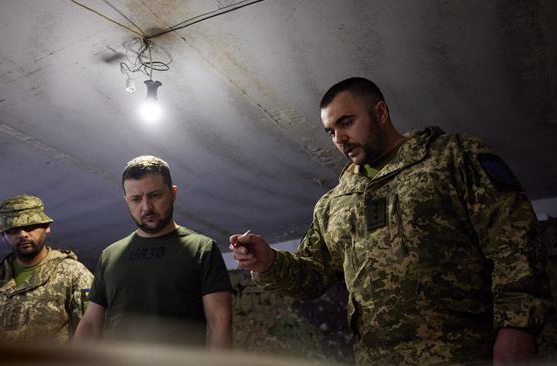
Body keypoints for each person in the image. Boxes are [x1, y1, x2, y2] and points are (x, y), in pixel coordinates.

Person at [230, 77, 553, 365]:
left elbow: (515, 240)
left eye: (347, 122)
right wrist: (268, 262)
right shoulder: (332, 204)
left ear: (380, 113)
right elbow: (311, 277)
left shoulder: (452, 157)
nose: (339, 138)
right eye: (331, 131)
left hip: (464, 353)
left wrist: (517, 329)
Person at [74, 155, 232, 348]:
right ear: (126, 201)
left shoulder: (202, 248)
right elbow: (90, 324)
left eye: (155, 195)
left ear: (173, 194)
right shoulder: (110, 255)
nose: (146, 207)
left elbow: (220, 322)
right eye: (136, 199)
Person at [0, 194, 93, 342]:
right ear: (3, 235)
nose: (23, 235)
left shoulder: (72, 273)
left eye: (30, 227)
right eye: (13, 230)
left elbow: (91, 334)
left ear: (46, 227)